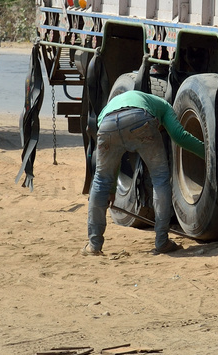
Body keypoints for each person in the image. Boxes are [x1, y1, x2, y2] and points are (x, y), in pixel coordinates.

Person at [85, 87, 201, 256]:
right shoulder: (163, 105)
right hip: (140, 119)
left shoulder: (112, 104)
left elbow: (114, 159)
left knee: (100, 180)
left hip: (107, 125)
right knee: (160, 178)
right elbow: (179, 136)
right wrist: (208, 153)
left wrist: (110, 191)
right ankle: (162, 242)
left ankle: (94, 246)